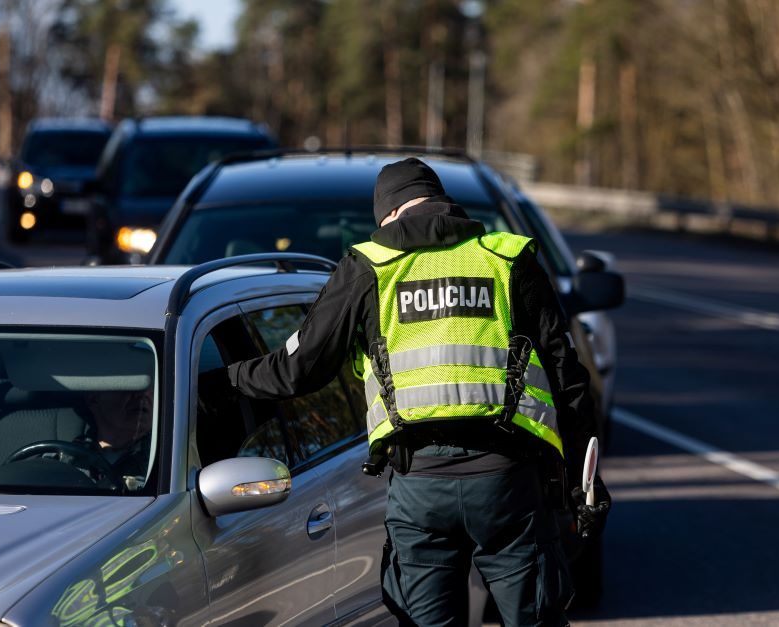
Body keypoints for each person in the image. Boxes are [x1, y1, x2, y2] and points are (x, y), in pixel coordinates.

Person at [207, 158, 611, 626]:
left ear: (389, 214)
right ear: (441, 203)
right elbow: (567, 378)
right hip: (507, 486)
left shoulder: (368, 268)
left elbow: (297, 371)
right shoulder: (508, 257)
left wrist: (227, 380)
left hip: (419, 487)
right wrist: (586, 486)